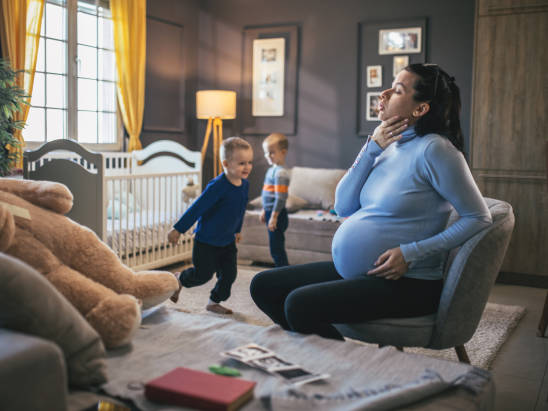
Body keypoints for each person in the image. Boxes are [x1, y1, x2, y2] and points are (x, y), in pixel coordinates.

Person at [250, 64, 492, 340]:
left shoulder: (435, 150)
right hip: (365, 273)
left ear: (420, 109)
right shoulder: (387, 145)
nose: (384, 93)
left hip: (409, 284)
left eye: (398, 90)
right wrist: (370, 149)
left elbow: (479, 217)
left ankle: (340, 367)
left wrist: (411, 252)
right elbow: (342, 206)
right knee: (263, 285)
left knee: (299, 304)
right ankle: (323, 356)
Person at [167, 137, 253, 314]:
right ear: (226, 164)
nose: (247, 167)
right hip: (206, 241)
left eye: (249, 162)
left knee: (229, 275)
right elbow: (197, 208)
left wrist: (237, 230)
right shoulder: (218, 186)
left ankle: (214, 301)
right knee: (202, 275)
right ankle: (180, 279)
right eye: (241, 163)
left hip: (227, 241)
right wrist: (178, 229)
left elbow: (240, 209)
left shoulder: (245, 185)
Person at [260, 132, 290, 267]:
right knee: (274, 247)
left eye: (272, 153)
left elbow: (281, 197)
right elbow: (268, 195)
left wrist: (273, 216)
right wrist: (263, 209)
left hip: (277, 214)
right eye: (266, 153)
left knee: (276, 249)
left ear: (283, 152)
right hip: (269, 212)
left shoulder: (280, 173)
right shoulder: (271, 170)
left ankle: (284, 274)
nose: (268, 156)